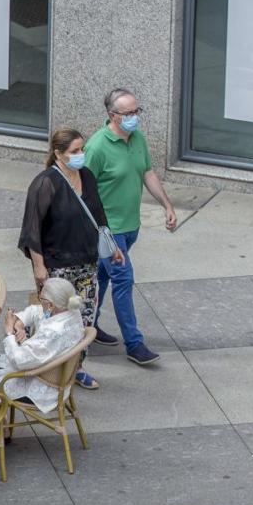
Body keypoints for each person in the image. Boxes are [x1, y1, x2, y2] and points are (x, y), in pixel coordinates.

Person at [19, 129, 125, 390]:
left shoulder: (86, 176)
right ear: (58, 153)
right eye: (75, 151)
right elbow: (32, 228)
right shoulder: (46, 183)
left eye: (82, 149)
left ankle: (76, 367)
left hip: (86, 263)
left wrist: (112, 246)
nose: (81, 155)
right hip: (57, 266)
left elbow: (99, 215)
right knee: (52, 321)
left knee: (83, 318)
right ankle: (42, 367)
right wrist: (39, 266)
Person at [83, 88, 177, 366]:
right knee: (123, 279)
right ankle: (134, 344)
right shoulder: (97, 147)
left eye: (137, 111)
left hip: (130, 226)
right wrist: (99, 230)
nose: (135, 117)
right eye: (129, 113)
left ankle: (89, 325)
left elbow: (147, 172)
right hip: (108, 230)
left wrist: (167, 205)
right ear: (112, 115)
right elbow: (84, 191)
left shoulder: (137, 138)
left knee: (101, 277)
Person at [0, 278, 85, 412]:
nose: (39, 301)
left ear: (50, 305)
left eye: (40, 298)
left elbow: (19, 361)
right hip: (52, 377)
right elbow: (36, 311)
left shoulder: (53, 332)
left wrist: (9, 332)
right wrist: (19, 324)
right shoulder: (72, 312)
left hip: (40, 388)